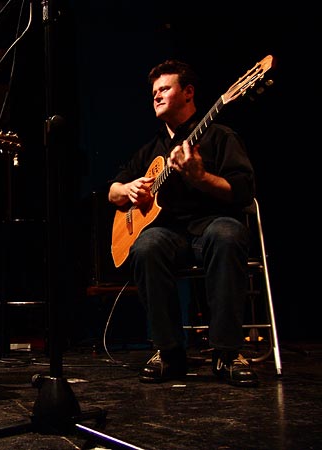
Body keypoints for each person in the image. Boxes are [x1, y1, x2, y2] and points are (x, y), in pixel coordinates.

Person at [108, 59, 258, 387]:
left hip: (213, 225)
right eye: (154, 92)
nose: (157, 97)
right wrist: (128, 188)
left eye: (165, 89)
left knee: (228, 234)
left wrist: (201, 177)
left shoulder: (220, 136)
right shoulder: (150, 150)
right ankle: (170, 351)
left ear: (188, 93)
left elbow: (244, 191)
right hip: (171, 234)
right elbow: (113, 192)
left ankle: (227, 353)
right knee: (146, 245)